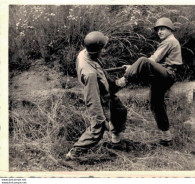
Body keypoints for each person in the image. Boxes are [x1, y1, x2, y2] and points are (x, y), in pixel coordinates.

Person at [116, 17, 183, 146]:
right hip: (163, 77)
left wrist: (131, 69)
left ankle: (123, 81)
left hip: (167, 74)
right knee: (156, 104)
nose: (159, 32)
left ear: (170, 29)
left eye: (162, 29)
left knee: (143, 60)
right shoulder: (169, 41)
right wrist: (132, 68)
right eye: (158, 30)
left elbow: (152, 60)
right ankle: (166, 136)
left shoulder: (169, 41)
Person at [66, 31, 127, 160]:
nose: (105, 51)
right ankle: (74, 154)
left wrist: (114, 83)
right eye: (103, 49)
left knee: (120, 111)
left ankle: (115, 141)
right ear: (96, 51)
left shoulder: (85, 53)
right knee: (97, 129)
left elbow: (98, 69)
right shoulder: (90, 74)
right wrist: (100, 118)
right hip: (98, 97)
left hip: (104, 90)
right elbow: (92, 99)